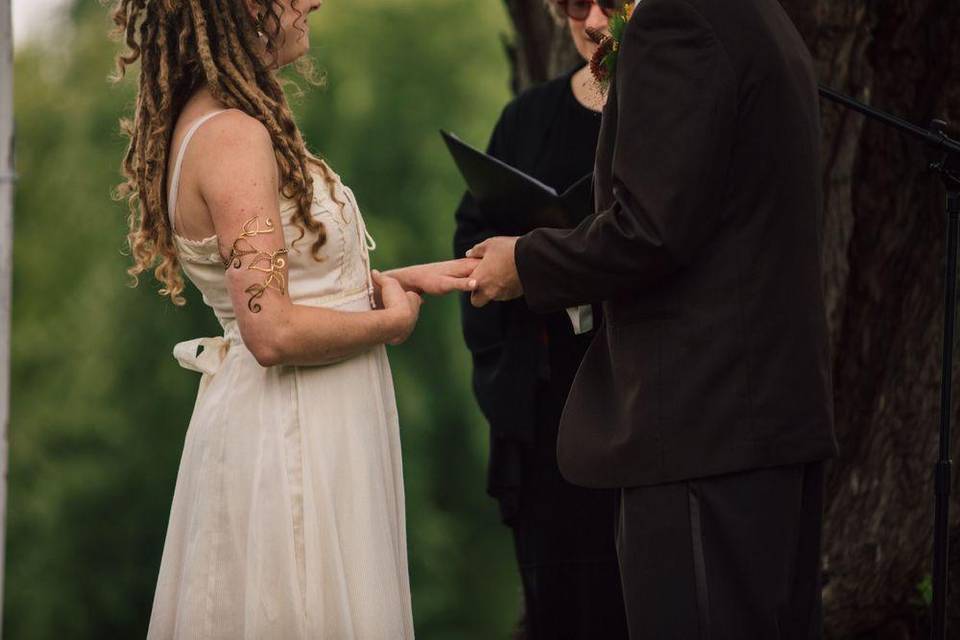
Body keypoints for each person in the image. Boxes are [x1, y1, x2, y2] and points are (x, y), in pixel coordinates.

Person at [466, 0, 839, 636]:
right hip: (764, 422)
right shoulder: (755, 15)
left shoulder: (677, 20)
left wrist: (525, 264)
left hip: (699, 428)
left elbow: (650, 231)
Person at [108, 1, 474, 637]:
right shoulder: (231, 136)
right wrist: (392, 325)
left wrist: (402, 283)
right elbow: (271, 330)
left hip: (311, 420)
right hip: (290, 437)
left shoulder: (227, 125)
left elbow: (295, 286)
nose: (312, 2)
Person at [453, 2, 628, 638]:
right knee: (560, 604)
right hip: (547, 409)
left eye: (610, 1)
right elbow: (472, 242)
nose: (593, 19)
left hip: (644, 405)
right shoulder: (526, 119)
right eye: (575, 3)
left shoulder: (665, 113)